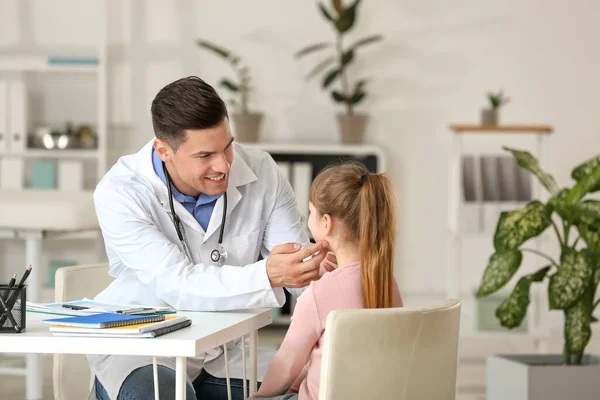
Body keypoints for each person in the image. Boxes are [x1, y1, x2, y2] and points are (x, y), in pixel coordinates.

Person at [90, 76, 335, 400]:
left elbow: (301, 275)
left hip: (227, 353)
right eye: (205, 155)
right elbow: (178, 284)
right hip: (145, 352)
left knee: (321, 389)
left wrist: (334, 276)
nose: (223, 165)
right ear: (164, 150)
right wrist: (267, 274)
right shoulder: (120, 192)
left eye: (228, 146)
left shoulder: (262, 171)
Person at [251, 162, 403, 400]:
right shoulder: (386, 281)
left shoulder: (319, 293)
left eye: (310, 212)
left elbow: (286, 365)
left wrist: (259, 397)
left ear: (326, 222)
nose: (308, 219)